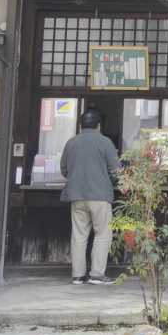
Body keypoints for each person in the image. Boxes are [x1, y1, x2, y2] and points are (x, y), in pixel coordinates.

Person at [60, 107, 121, 285]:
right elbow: (116, 170)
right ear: (99, 126)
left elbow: (64, 170)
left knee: (79, 235)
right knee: (102, 234)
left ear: (81, 125)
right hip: (100, 196)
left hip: (76, 196)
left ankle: (78, 276)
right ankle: (96, 275)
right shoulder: (105, 142)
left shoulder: (71, 143)